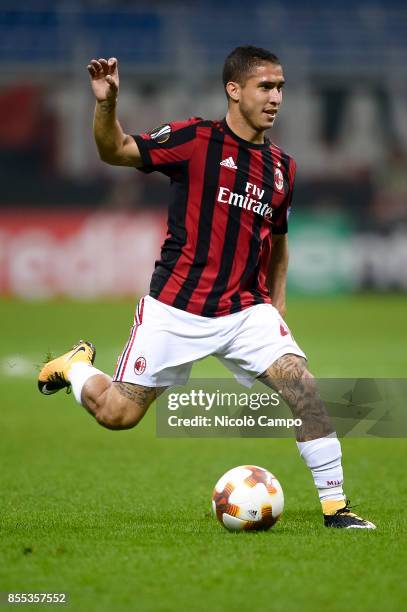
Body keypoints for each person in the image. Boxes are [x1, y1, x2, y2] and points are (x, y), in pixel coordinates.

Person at [38, 46, 375, 529]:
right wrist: (106, 103)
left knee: (304, 388)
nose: (276, 97)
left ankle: (336, 509)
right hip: (176, 307)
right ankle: (74, 368)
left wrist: (276, 301)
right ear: (233, 90)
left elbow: (278, 241)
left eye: (280, 87)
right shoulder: (195, 139)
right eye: (266, 86)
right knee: (117, 414)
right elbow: (115, 151)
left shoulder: (283, 168)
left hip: (245, 311)